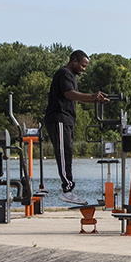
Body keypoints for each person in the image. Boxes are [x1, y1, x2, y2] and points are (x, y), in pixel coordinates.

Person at [47, 50, 111, 199]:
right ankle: (67, 189)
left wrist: (96, 99)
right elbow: (70, 94)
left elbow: (77, 97)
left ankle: (69, 188)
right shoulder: (64, 73)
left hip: (66, 120)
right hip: (59, 118)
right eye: (83, 66)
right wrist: (93, 97)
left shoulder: (71, 77)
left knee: (68, 151)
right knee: (63, 152)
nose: (84, 69)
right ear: (74, 61)